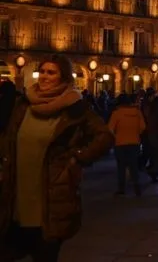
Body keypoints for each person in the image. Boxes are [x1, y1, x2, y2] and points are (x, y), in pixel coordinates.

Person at [0, 55, 113, 261]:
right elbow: (7, 137)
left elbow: (104, 137)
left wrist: (77, 158)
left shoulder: (75, 108)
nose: (44, 76)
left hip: (53, 194)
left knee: (45, 253)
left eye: (51, 73)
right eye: (42, 71)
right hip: (16, 192)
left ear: (64, 78)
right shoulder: (24, 104)